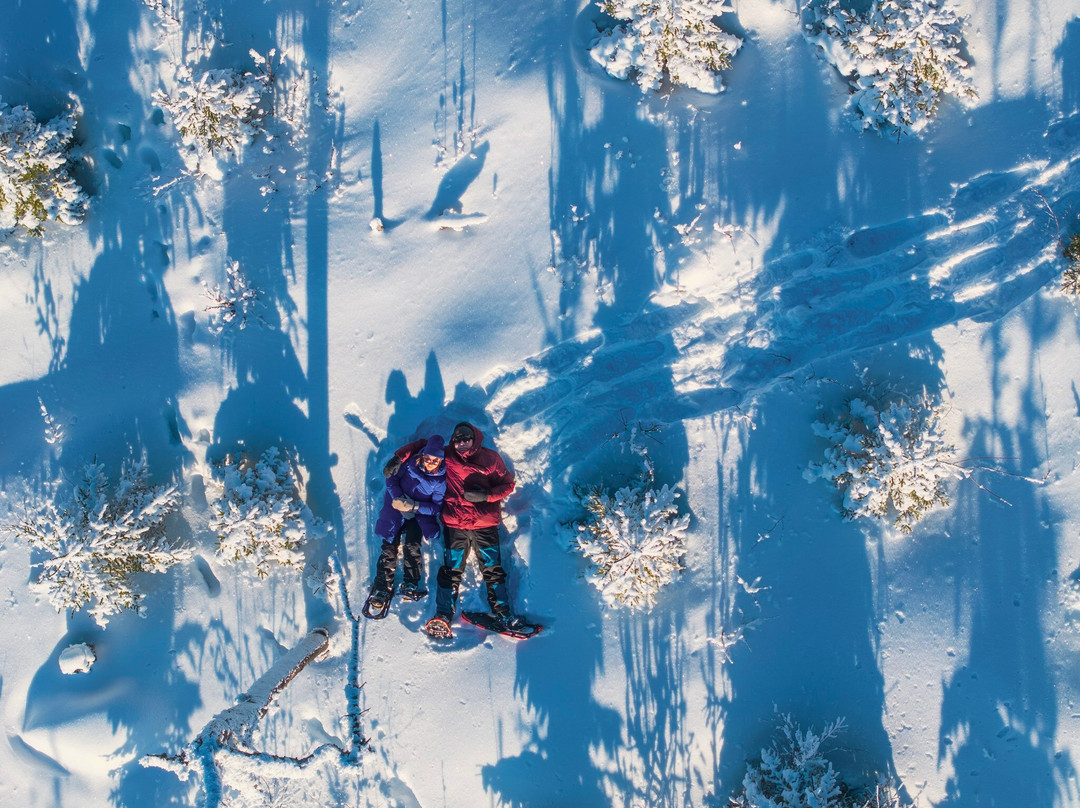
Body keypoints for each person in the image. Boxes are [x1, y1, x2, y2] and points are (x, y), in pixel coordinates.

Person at [386, 422, 518, 637]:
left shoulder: (491, 458)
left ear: (474, 439)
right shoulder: (447, 455)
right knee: (451, 570)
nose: (462, 444)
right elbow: (423, 445)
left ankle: (503, 613)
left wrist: (486, 496)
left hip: (484, 523)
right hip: (455, 524)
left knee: (492, 569)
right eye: (457, 440)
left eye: (466, 439)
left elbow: (508, 485)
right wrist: (398, 458)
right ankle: (443, 614)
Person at [365, 435, 446, 617]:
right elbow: (391, 479)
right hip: (396, 508)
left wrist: (415, 506)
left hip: (418, 515)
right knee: (389, 546)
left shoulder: (440, 482)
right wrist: (399, 499)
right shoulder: (410, 464)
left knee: (412, 545)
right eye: (428, 458)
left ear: (440, 461)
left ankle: (411, 582)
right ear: (423, 455)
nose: (430, 463)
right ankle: (382, 586)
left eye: (435, 460)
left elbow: (436, 507)